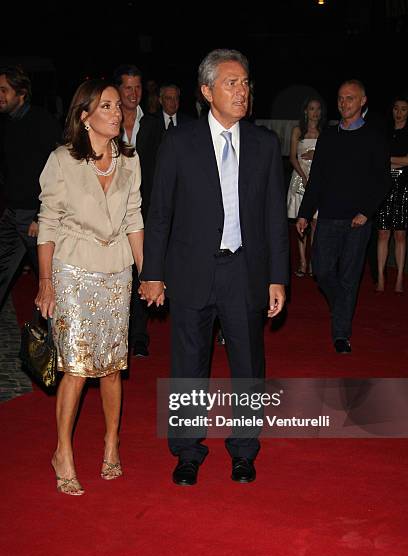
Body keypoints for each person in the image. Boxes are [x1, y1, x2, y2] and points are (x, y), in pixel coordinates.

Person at [140, 48, 289, 486]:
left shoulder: (264, 145)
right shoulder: (179, 142)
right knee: (188, 364)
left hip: (245, 271)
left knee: (247, 364)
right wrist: (153, 272)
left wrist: (278, 276)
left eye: (245, 82)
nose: (241, 91)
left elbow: (272, 220)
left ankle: (244, 449)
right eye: (231, 83)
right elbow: (160, 212)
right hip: (190, 271)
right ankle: (187, 449)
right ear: (206, 91)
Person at [35, 79, 144, 495]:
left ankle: (111, 443)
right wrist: (45, 282)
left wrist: (147, 273)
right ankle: (63, 450)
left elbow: (134, 219)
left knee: (114, 366)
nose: (117, 112)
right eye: (107, 106)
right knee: (77, 366)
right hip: (72, 268)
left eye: (118, 106)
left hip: (116, 269)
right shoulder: (62, 160)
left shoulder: (129, 160)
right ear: (85, 116)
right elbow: (47, 223)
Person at [296, 79, 390, 354]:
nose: (343, 102)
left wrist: (366, 212)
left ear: (362, 101)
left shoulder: (374, 137)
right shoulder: (329, 136)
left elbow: (382, 181)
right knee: (322, 271)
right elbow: (317, 179)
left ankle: (341, 334)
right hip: (327, 217)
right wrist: (304, 213)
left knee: (349, 277)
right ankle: (342, 307)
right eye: (340, 98)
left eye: (350, 98)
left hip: (357, 221)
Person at [0, 64, 61, 311]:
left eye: (4, 90)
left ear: (21, 92)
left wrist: (40, 214)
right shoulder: (6, 124)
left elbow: (57, 172)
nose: (0, 96)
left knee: (50, 281)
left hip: (35, 218)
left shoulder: (42, 122)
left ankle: (55, 339)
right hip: (12, 214)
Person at [113, 64, 163, 357]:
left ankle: (139, 335)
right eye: (128, 87)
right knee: (119, 272)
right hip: (111, 211)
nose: (133, 93)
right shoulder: (109, 120)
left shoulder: (154, 125)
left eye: (137, 87)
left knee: (141, 268)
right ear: (118, 90)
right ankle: (118, 331)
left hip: (144, 210)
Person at [287, 96, 326, 276]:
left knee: (317, 224)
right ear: (306, 111)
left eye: (318, 109)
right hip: (300, 179)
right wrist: (303, 177)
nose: (315, 113)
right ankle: (302, 261)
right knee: (301, 223)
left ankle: (313, 262)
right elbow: (292, 157)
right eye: (312, 109)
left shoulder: (325, 132)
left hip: (319, 180)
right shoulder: (298, 130)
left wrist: (317, 156)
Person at [375, 95, 408, 294]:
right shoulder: (384, 131)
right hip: (384, 185)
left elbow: (407, 161)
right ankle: (380, 277)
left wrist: (390, 160)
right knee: (382, 232)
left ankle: (399, 279)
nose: (399, 112)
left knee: (401, 234)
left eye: (403, 109)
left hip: (404, 186)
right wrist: (396, 161)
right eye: (396, 108)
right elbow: (377, 159)